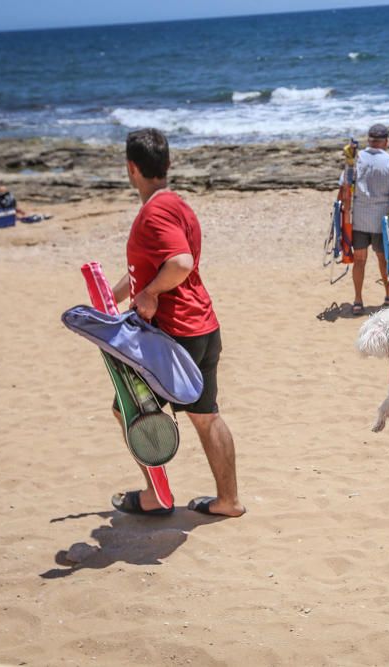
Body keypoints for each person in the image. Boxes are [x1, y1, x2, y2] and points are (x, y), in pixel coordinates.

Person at [109, 128, 245, 518]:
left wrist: (150, 294)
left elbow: (180, 263)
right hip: (202, 325)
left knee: (129, 410)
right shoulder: (177, 205)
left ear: (131, 168)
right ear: (167, 165)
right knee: (206, 416)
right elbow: (154, 267)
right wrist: (113, 298)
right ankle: (229, 501)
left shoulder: (155, 211)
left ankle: (155, 496)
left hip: (173, 336)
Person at [344, 123, 389, 316]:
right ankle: (388, 295)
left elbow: (345, 188)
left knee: (360, 261)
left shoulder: (355, 159)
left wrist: (344, 218)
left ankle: (357, 301)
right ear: (386, 141)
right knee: (383, 259)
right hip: (382, 221)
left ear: (369, 140)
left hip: (359, 219)